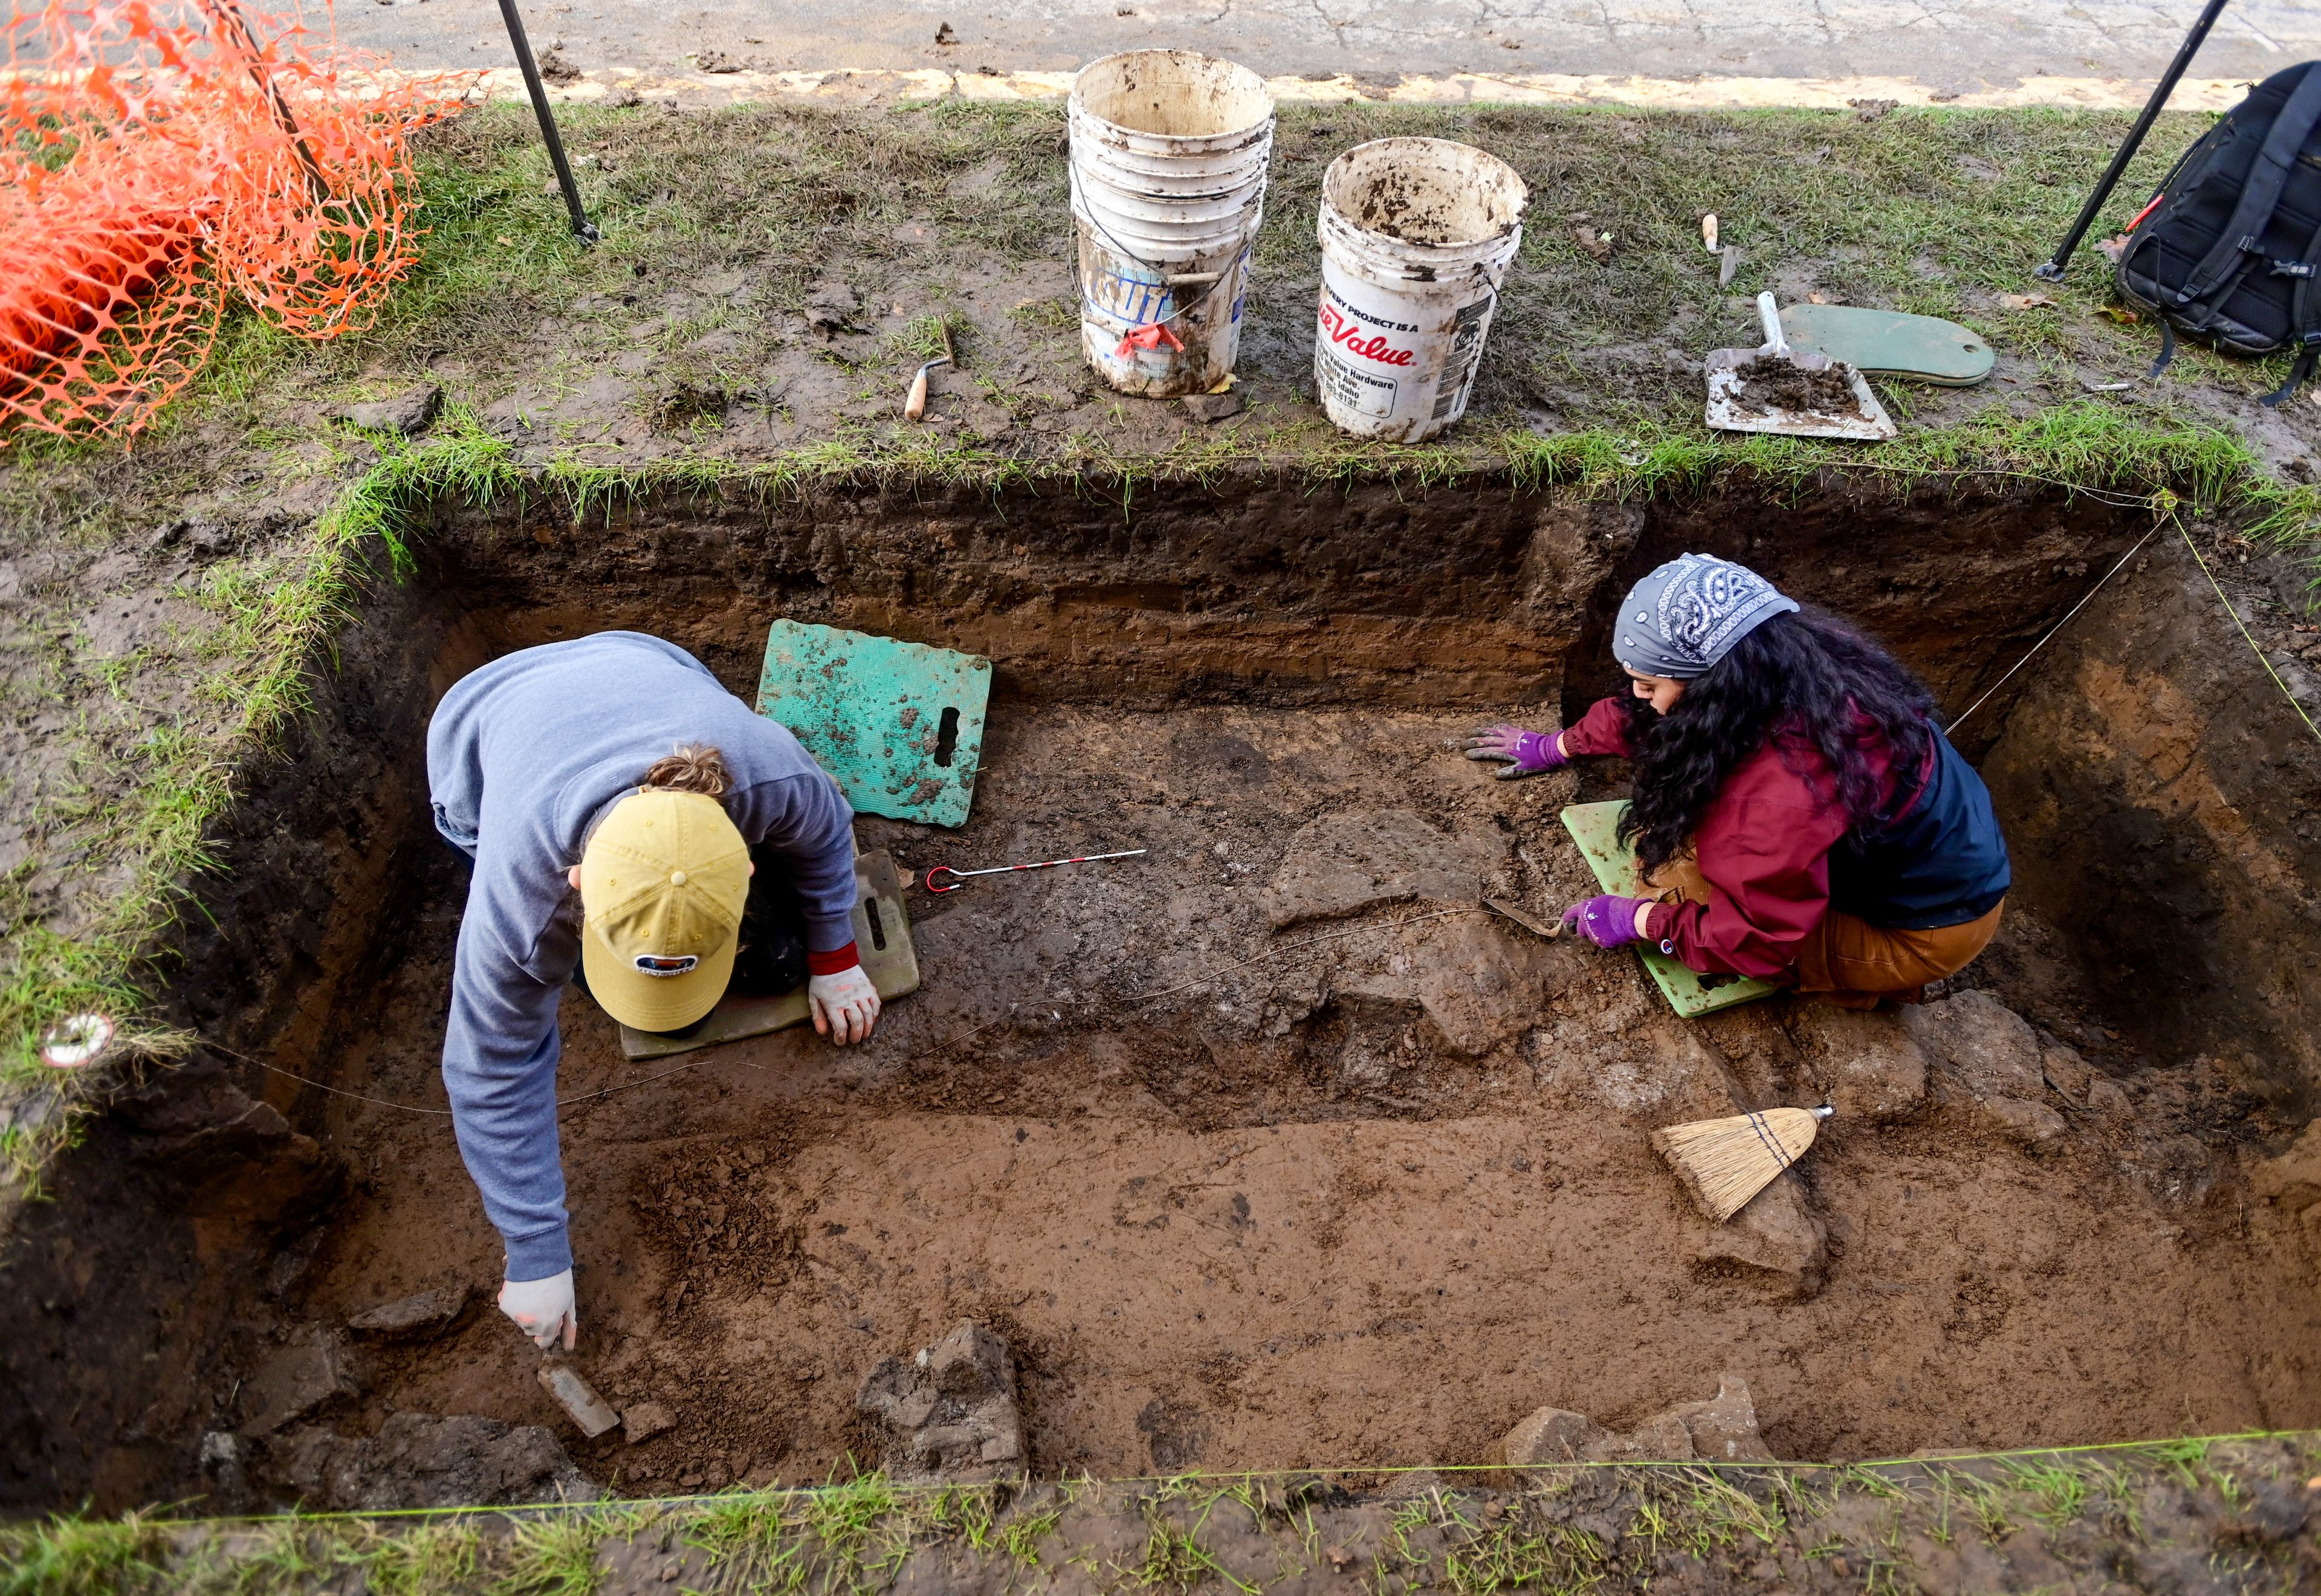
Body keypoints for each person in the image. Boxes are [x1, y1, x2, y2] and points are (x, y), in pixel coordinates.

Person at [426, 630, 881, 1351]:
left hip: (641, 660)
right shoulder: (522, 899)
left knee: (778, 959)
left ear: (747, 868)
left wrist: (837, 953)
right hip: (481, 725)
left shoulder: (769, 775)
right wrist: (537, 1253)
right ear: (578, 888)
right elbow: (490, 1066)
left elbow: (827, 833)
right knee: (568, 976)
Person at [1463, 553, 2010, 1005]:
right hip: (1942, 853)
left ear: (1712, 687)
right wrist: (1558, 745)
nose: (1637, 696)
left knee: (1689, 883)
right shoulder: (1796, 665)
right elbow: (1649, 716)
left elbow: (1757, 940)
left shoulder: (1773, 801)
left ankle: (1870, 980)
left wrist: (1644, 920)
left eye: (1649, 683)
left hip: (1929, 929)